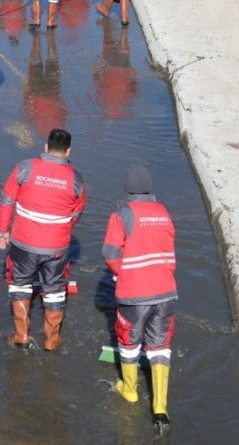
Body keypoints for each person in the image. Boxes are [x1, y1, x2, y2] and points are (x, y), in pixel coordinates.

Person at [0, 128, 86, 351]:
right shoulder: (76, 179)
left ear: (45, 147)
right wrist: (59, 231)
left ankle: (21, 335)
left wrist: (2, 230)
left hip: (24, 244)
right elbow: (75, 215)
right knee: (55, 289)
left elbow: (7, 199)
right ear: (68, 151)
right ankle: (52, 340)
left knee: (20, 284)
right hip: (57, 247)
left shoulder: (25, 168)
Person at [102, 164, 177, 434]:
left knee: (129, 341)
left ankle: (130, 390)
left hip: (134, 295)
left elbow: (110, 254)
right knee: (159, 347)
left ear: (128, 189)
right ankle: (160, 409)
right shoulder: (164, 213)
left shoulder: (122, 214)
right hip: (166, 292)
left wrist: (125, 273)